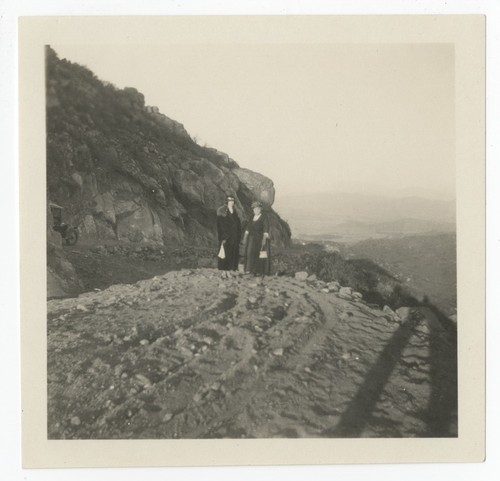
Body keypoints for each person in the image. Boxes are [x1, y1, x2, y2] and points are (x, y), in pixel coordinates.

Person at [242, 201, 271, 276]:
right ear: (253, 210)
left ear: (260, 209)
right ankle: (248, 270)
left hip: (260, 239)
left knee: (258, 254)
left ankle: (258, 271)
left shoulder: (264, 217)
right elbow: (248, 228)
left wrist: (264, 241)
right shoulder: (252, 217)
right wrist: (245, 237)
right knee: (249, 253)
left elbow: (266, 229)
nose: (256, 210)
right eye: (255, 209)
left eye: (258, 209)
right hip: (251, 239)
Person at [216, 195, 241, 271]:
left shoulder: (235, 211)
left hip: (234, 237)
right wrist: (223, 237)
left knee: (233, 253)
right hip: (226, 237)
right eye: (230, 201)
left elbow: (238, 225)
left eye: (232, 201)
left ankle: (230, 270)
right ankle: (224, 272)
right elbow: (220, 226)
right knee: (225, 254)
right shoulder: (222, 211)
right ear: (227, 202)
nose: (231, 202)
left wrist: (239, 236)